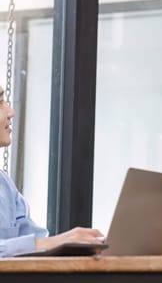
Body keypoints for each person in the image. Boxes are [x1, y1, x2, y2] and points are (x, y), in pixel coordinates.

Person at [0, 87, 104, 257]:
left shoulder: (4, 185)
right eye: (0, 103)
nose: (11, 112)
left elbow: (40, 243)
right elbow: (42, 244)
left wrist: (80, 244)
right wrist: (55, 242)